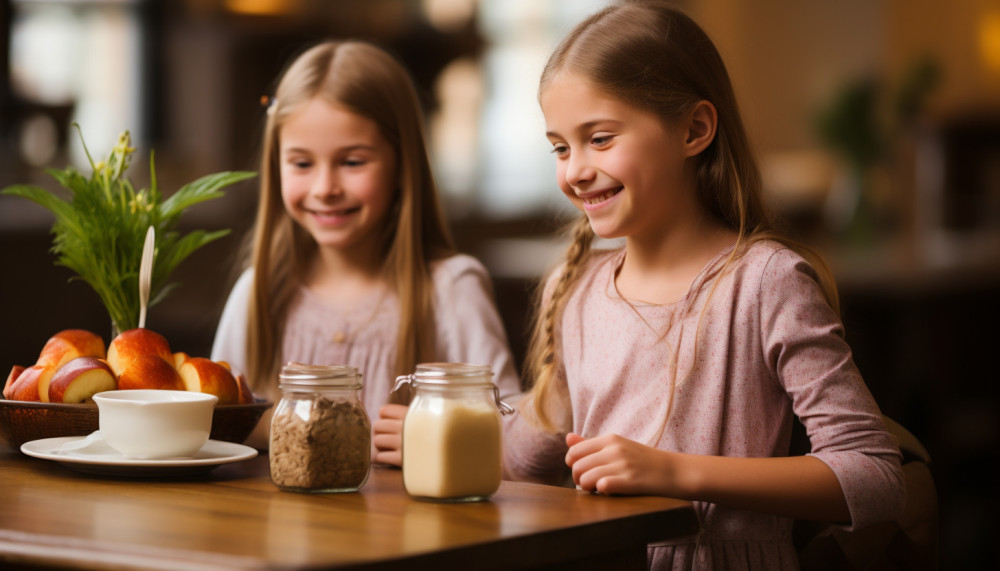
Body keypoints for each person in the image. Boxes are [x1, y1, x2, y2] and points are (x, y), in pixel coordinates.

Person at [502, 2, 905, 568]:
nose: (574, 171)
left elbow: (877, 477)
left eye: (600, 138)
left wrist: (676, 472)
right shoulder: (578, 294)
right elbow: (525, 458)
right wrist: (439, 419)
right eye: (561, 148)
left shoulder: (765, 282)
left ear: (695, 130)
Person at [211, 40, 520, 455]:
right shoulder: (258, 292)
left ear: (401, 164)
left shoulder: (451, 288)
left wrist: (438, 434)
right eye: (302, 163)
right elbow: (218, 423)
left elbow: (512, 430)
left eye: (352, 162)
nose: (325, 189)